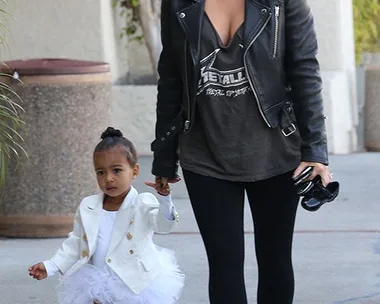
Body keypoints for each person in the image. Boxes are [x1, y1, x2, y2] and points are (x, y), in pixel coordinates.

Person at [149, 0, 332, 303]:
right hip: (204, 152)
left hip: (275, 151)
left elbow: (305, 69)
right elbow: (170, 76)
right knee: (224, 267)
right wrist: (164, 156)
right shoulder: (179, 3)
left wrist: (315, 150)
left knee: (275, 262)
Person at [28, 127, 184, 304]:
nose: (108, 178)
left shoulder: (142, 202)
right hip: (95, 283)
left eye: (116, 170)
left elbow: (163, 225)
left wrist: (164, 199)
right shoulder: (89, 206)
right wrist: (51, 265)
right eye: (101, 172)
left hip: (135, 284)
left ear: (134, 170)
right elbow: (76, 243)